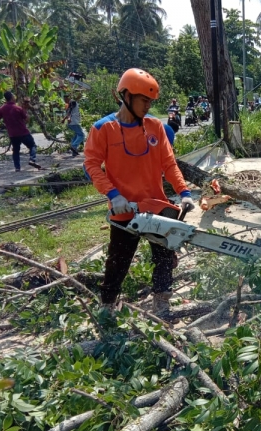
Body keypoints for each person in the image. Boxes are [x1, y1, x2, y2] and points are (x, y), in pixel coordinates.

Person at [83, 68, 194, 318]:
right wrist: (113, 195)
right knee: (118, 261)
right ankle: (107, 305)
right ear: (126, 95)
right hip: (125, 209)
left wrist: (184, 191)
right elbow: (90, 165)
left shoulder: (156, 127)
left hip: (156, 205)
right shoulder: (104, 128)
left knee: (165, 258)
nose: (148, 106)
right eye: (144, 100)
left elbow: (169, 163)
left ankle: (162, 302)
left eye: (150, 102)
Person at [0, 91, 39, 172]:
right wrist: (25, 110)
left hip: (12, 134)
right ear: (12, 98)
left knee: (16, 151)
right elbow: (27, 119)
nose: (15, 98)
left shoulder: (1, 109)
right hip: (23, 132)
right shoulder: (18, 108)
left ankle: (17, 168)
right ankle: (32, 159)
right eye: (14, 96)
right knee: (32, 146)